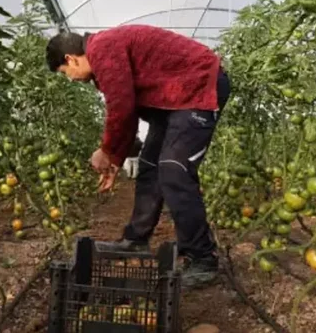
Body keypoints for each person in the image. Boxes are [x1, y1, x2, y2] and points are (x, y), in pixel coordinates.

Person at [45, 24, 230, 288]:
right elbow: (128, 113)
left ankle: (202, 258)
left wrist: (107, 150)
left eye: (65, 73)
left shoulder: (102, 48)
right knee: (150, 166)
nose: (71, 79)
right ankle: (136, 240)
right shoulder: (104, 55)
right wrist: (115, 159)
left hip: (197, 86)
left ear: (70, 59)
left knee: (173, 169)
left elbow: (121, 106)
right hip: (173, 103)